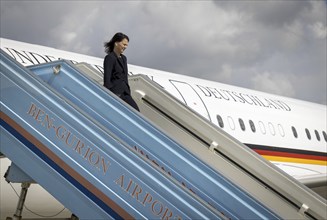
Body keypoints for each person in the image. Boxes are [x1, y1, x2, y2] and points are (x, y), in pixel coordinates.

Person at [103, 32, 139, 111]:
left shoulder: (124, 58)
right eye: (124, 44)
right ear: (116, 43)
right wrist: (110, 95)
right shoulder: (109, 58)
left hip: (125, 93)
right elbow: (107, 80)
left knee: (136, 112)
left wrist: (128, 92)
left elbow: (125, 77)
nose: (125, 47)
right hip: (115, 93)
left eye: (126, 45)